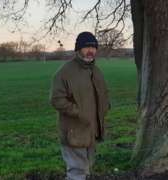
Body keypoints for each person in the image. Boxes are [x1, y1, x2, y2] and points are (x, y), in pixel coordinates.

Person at [50, 32, 110, 180]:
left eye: (93, 47)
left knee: (86, 168)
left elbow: (103, 94)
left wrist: (106, 107)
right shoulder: (65, 72)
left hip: (91, 130)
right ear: (78, 49)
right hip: (74, 131)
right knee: (77, 171)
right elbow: (56, 99)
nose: (91, 51)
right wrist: (79, 112)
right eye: (86, 47)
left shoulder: (96, 71)